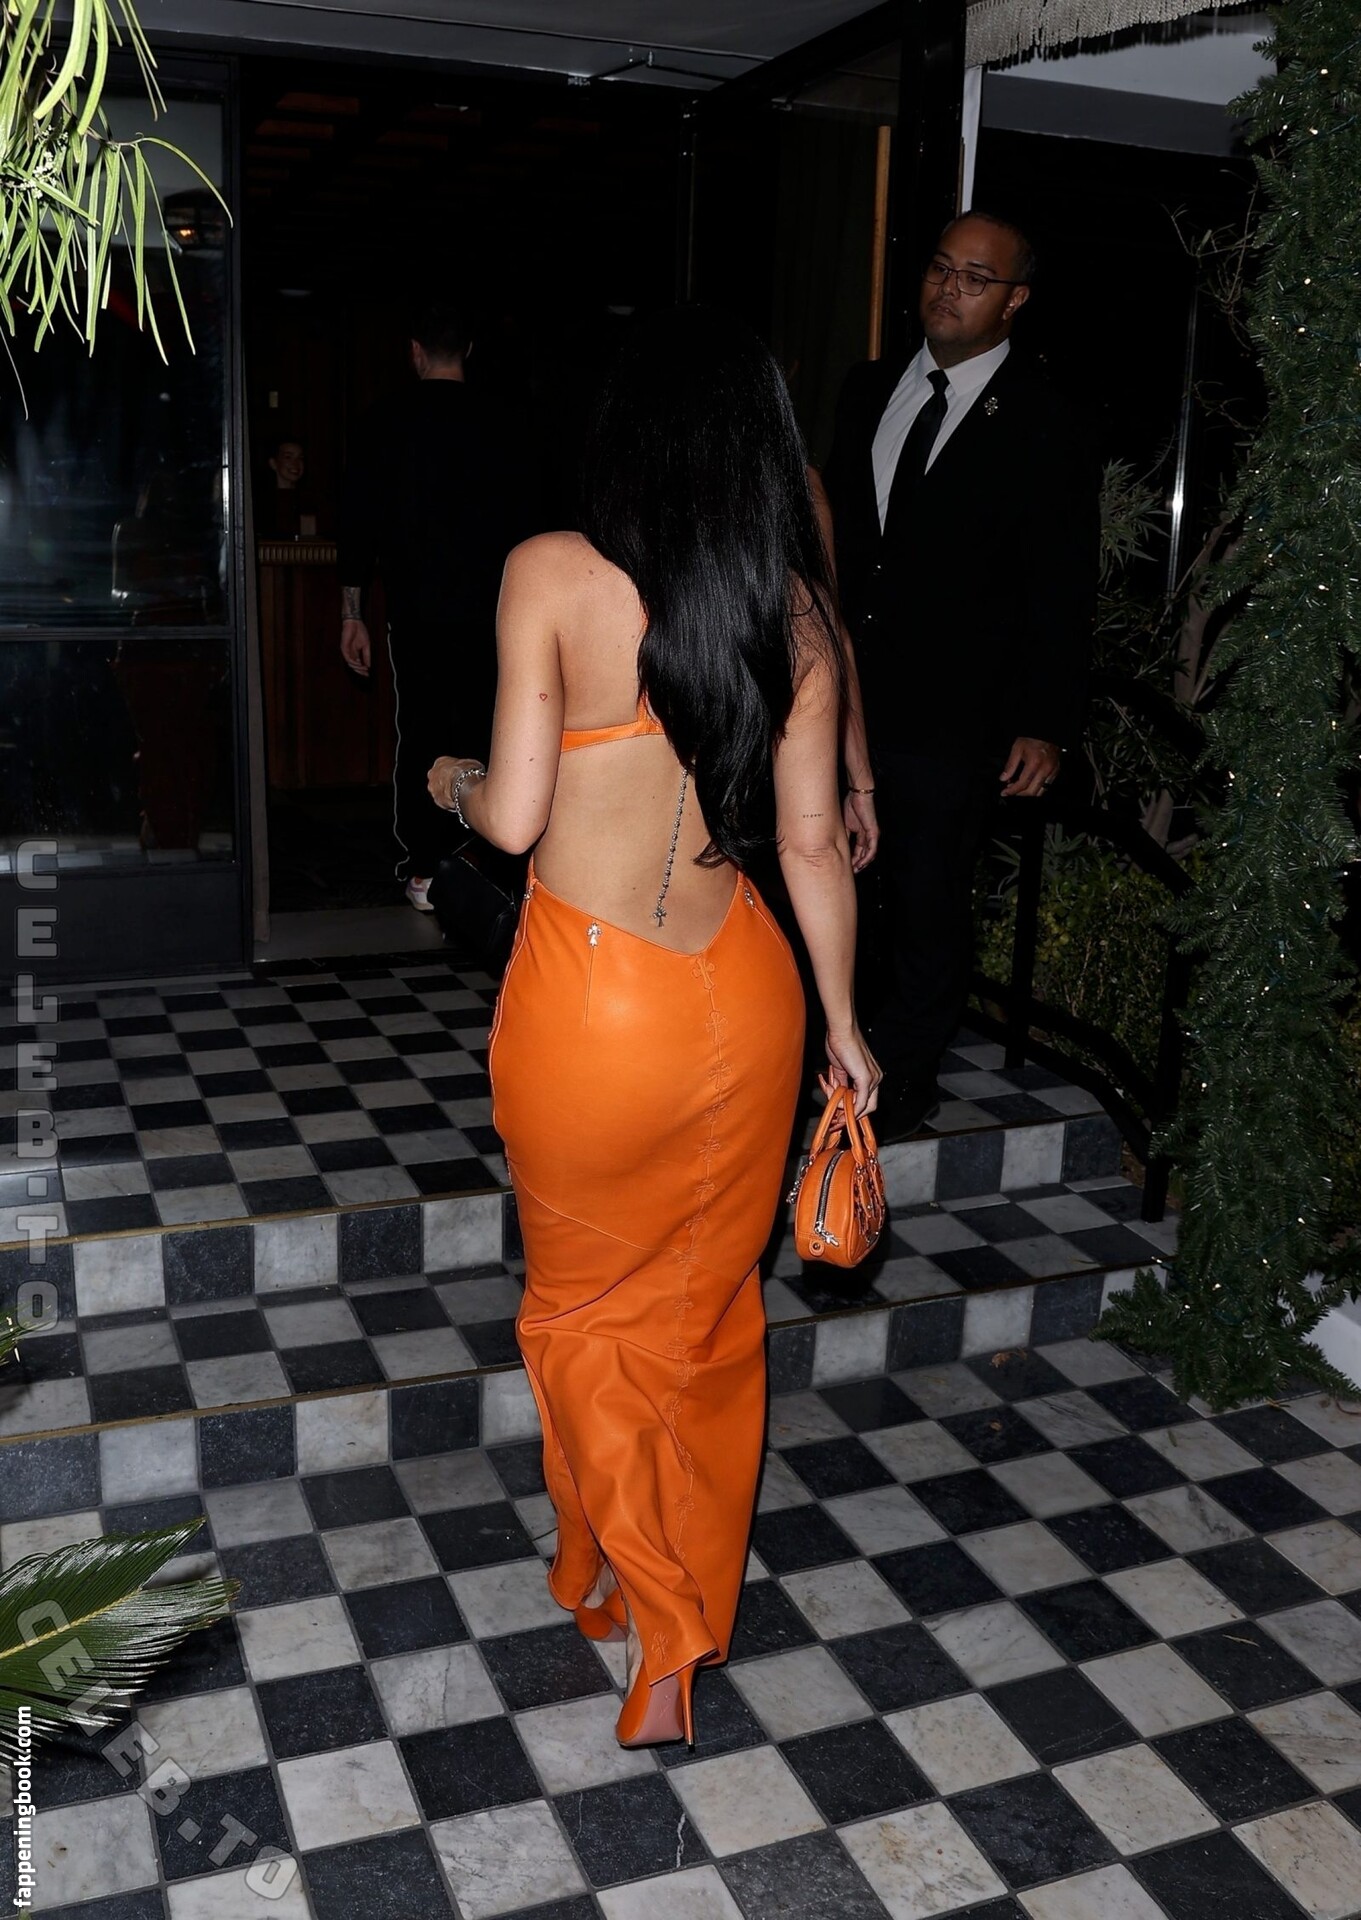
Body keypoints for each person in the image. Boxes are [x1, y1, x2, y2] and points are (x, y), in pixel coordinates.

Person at [427, 308, 879, 1749]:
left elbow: (512, 819)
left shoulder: (552, 573)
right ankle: (630, 1582)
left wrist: (446, 780)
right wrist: (845, 1026)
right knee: (703, 1317)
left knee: (581, 1319)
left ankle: (660, 1626)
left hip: (595, 1006)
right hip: (745, 996)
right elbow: (811, 844)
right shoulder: (796, 610)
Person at [822, 210, 1098, 1141]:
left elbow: (1062, 582)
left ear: (1014, 300)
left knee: (925, 894)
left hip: (954, 711)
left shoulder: (1047, 421)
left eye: (974, 278)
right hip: (839, 698)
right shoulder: (867, 388)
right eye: (940, 268)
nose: (947, 288)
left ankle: (900, 1079)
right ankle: (827, 1051)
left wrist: (1044, 720)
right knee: (829, 876)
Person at [338, 297, 523, 911]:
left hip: (416, 612)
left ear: (415, 352)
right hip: (495, 612)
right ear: (467, 350)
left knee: (421, 732)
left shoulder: (383, 421)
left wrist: (351, 613)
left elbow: (357, 527)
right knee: (491, 730)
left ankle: (424, 870)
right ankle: (486, 861)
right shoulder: (504, 423)